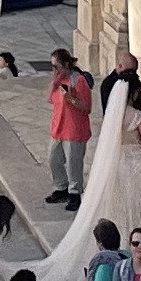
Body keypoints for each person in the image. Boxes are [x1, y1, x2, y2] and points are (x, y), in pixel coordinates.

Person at [47, 56, 97, 206]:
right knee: (54, 159)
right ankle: (61, 187)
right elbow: (49, 98)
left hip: (74, 129)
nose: (54, 70)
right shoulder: (57, 81)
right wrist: (54, 82)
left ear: (66, 65)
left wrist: (70, 98)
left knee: (73, 162)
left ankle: (75, 192)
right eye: (53, 66)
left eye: (57, 66)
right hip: (59, 127)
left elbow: (86, 107)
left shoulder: (79, 81)